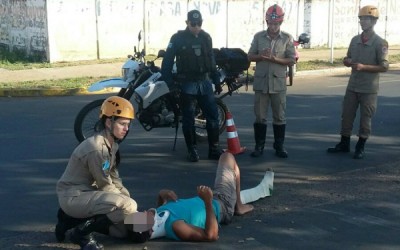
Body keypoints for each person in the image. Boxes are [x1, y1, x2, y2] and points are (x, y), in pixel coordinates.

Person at [55, 96, 148, 250]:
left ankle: (69, 221)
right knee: (128, 207)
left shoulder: (112, 145)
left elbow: (114, 178)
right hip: (73, 196)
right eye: (122, 124)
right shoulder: (96, 148)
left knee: (123, 232)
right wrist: (130, 208)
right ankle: (81, 234)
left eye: (128, 124)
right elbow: (105, 184)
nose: (126, 129)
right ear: (109, 122)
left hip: (88, 195)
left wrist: (129, 205)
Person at [127, 152, 274, 242]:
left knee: (227, 161)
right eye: (144, 216)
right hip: (221, 205)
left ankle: (244, 199)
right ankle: (238, 207)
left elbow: (160, 214)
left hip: (212, 198)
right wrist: (208, 202)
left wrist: (161, 196)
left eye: (141, 213)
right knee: (227, 157)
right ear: (151, 230)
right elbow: (211, 236)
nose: (145, 212)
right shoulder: (176, 226)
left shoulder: (158, 218)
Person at [161, 9, 224, 162]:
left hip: (204, 82)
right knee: (188, 118)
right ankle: (192, 150)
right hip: (186, 84)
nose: (196, 26)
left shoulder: (206, 37)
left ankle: (214, 149)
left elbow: (211, 61)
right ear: (187, 23)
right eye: (193, 23)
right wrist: (171, 84)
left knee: (213, 116)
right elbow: (167, 63)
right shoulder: (177, 38)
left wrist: (216, 80)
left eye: (199, 23)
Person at [327, 5, 389, 159]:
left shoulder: (380, 43)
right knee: (346, 115)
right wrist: (347, 61)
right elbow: (347, 58)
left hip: (369, 88)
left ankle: (360, 146)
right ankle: (344, 143)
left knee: (365, 118)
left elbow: (384, 66)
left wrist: (364, 67)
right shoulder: (354, 40)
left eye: (367, 19)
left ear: (374, 21)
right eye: (361, 19)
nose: (363, 22)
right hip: (353, 86)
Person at [247, 4, 296, 159]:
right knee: (260, 116)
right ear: (266, 21)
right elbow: (249, 56)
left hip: (278, 84)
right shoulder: (258, 37)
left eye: (276, 24)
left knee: (279, 116)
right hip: (261, 83)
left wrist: (276, 59)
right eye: (271, 23)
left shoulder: (287, 38)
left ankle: (279, 146)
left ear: (280, 23)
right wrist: (261, 56)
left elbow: (291, 59)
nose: (273, 27)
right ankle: (259, 146)